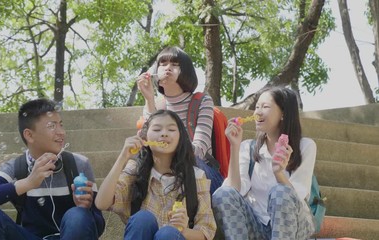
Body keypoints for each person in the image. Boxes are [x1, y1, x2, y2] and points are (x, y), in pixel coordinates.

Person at [0, 98, 105, 240]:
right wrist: (28, 183)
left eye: (61, 125)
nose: (61, 132)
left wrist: (87, 208)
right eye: (52, 126)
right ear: (29, 135)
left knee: (77, 215)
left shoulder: (78, 164)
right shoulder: (16, 167)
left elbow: (98, 226)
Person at [212, 87, 316, 239]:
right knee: (222, 193)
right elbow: (233, 191)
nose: (257, 112)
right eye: (257, 107)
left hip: (294, 226)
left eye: (265, 107)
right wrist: (234, 146)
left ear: (283, 113)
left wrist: (278, 172)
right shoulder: (248, 147)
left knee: (280, 191)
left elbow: (295, 197)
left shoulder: (305, 146)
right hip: (257, 225)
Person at [95, 109, 216, 240]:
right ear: (145, 138)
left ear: (181, 137)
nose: (164, 134)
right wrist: (122, 157)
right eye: (157, 130)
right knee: (143, 218)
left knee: (168, 233)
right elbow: (102, 203)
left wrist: (183, 230)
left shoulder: (196, 176)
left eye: (171, 130)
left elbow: (206, 231)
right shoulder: (135, 170)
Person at [137, 46, 223, 194]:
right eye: (163, 64)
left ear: (186, 71)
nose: (168, 68)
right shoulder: (155, 104)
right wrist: (149, 99)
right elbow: (149, 145)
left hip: (201, 171)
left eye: (175, 64)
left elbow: (199, 151)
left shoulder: (201, 101)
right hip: (164, 170)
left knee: (186, 164)